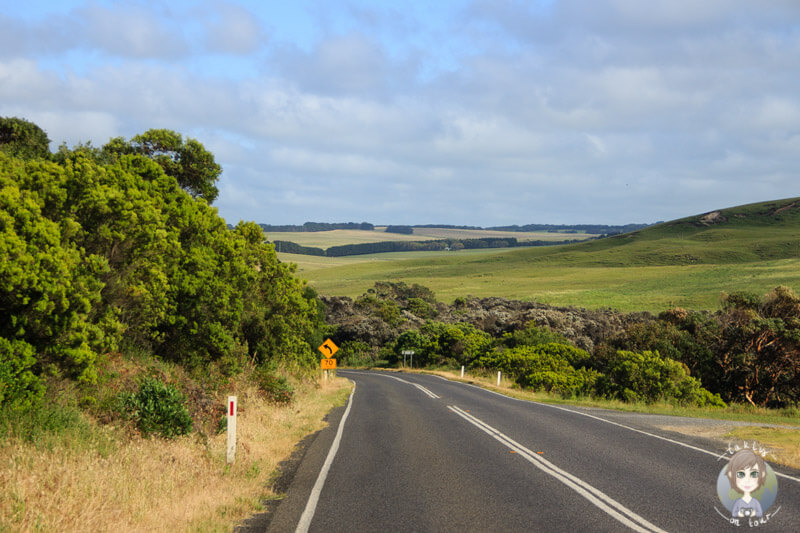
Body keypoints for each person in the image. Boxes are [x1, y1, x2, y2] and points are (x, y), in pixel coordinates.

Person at [725, 449, 767, 518]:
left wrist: (753, 513)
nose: (747, 480)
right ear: (731, 475)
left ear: (762, 475)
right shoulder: (738, 502)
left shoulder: (755, 502)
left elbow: (759, 513)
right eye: (741, 474)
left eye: (754, 474)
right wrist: (739, 513)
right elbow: (734, 513)